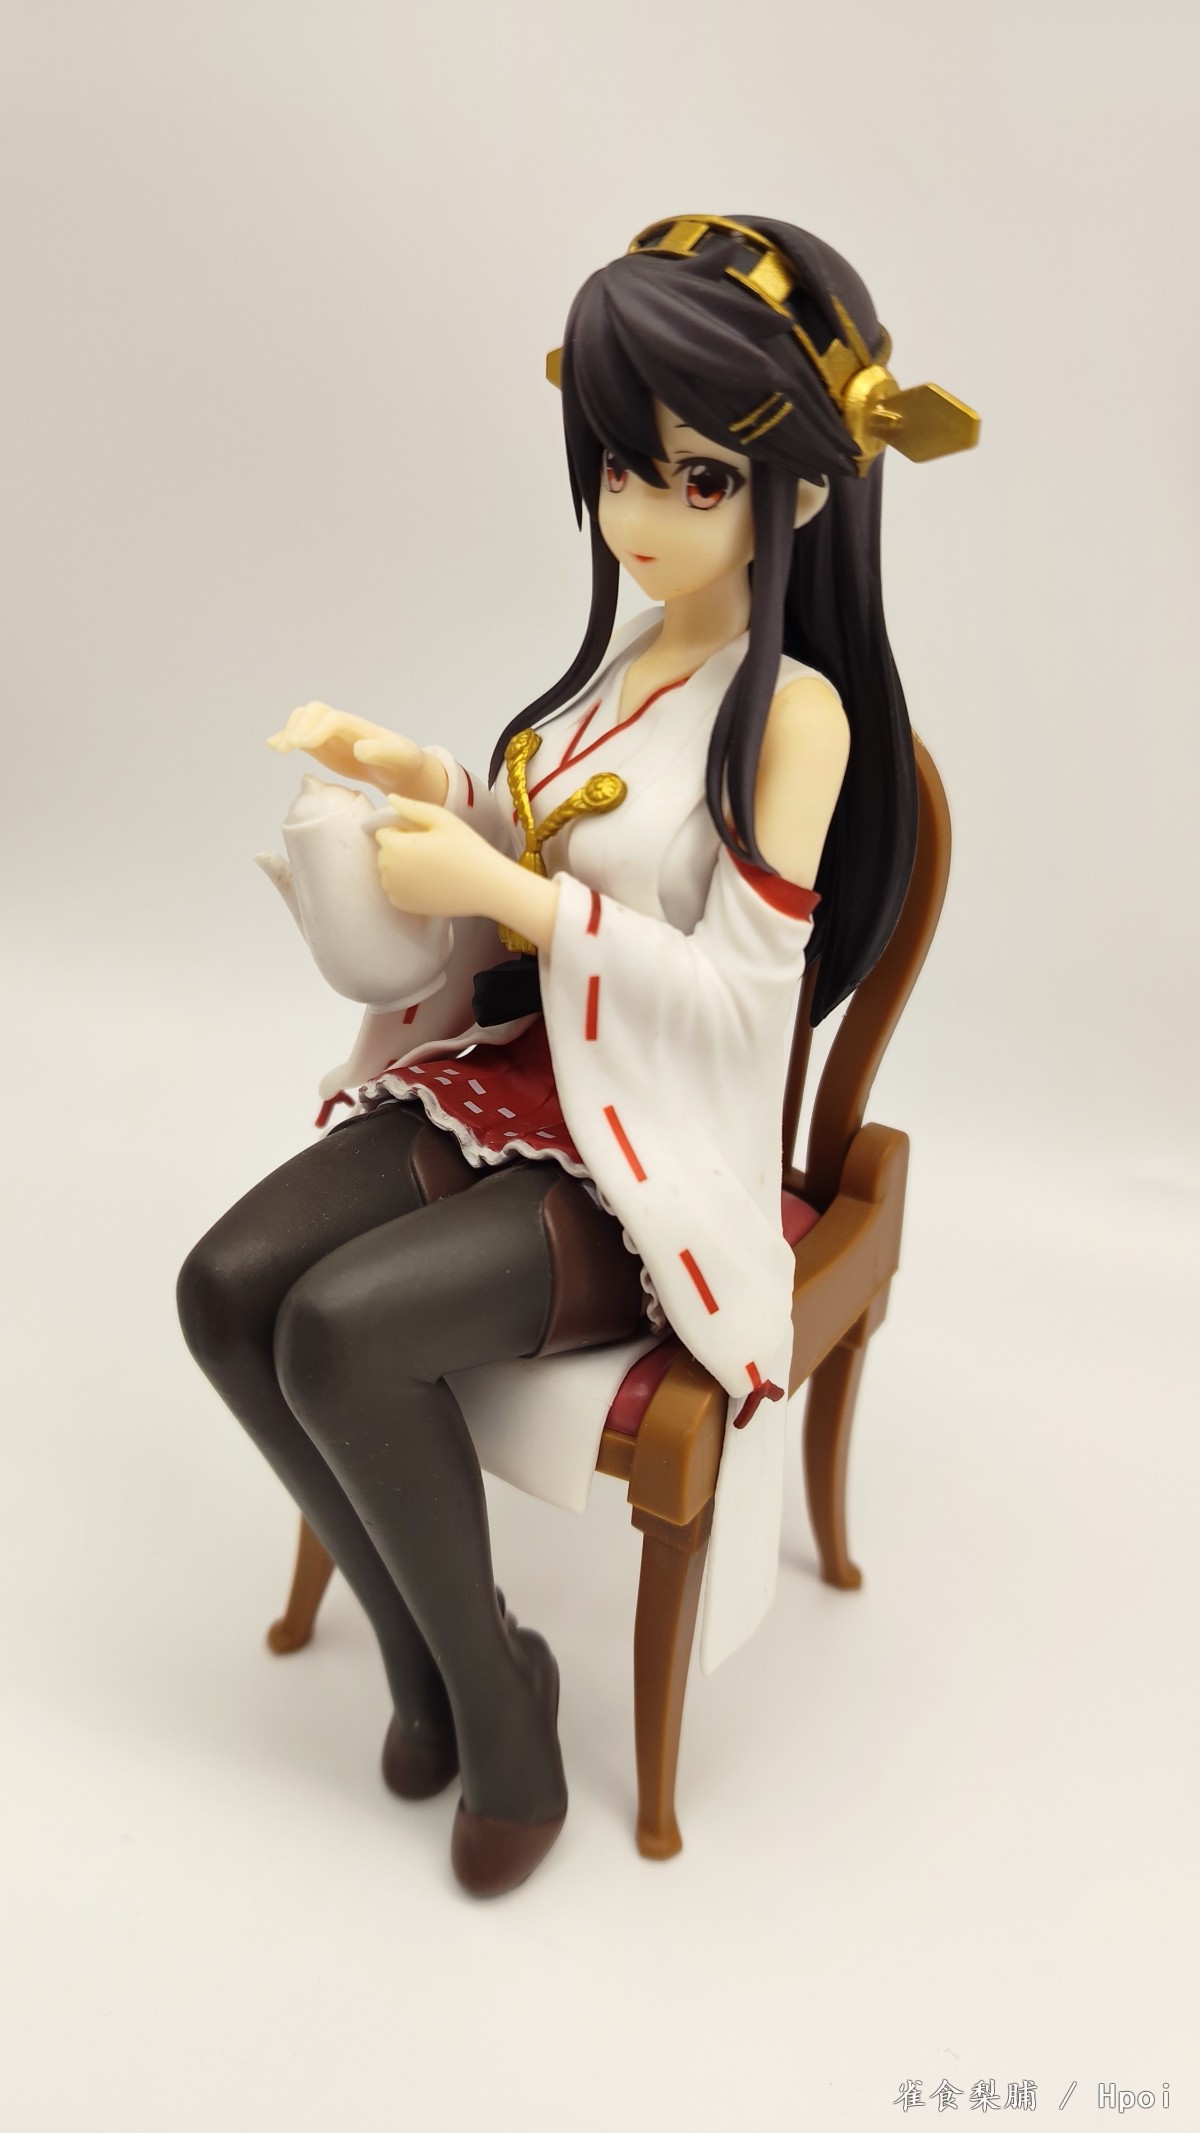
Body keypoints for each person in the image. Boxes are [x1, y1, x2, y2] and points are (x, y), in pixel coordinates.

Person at [177, 215, 976, 1895]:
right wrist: (440, 796)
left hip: (652, 1157)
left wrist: (515, 901)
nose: (643, 515)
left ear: (797, 493)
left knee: (339, 1330)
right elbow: (552, 851)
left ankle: (497, 1705)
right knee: (228, 1286)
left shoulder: (798, 715)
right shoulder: (629, 655)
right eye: (622, 466)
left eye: (699, 479)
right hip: (524, 1083)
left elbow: (743, 1006)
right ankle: (435, 1658)